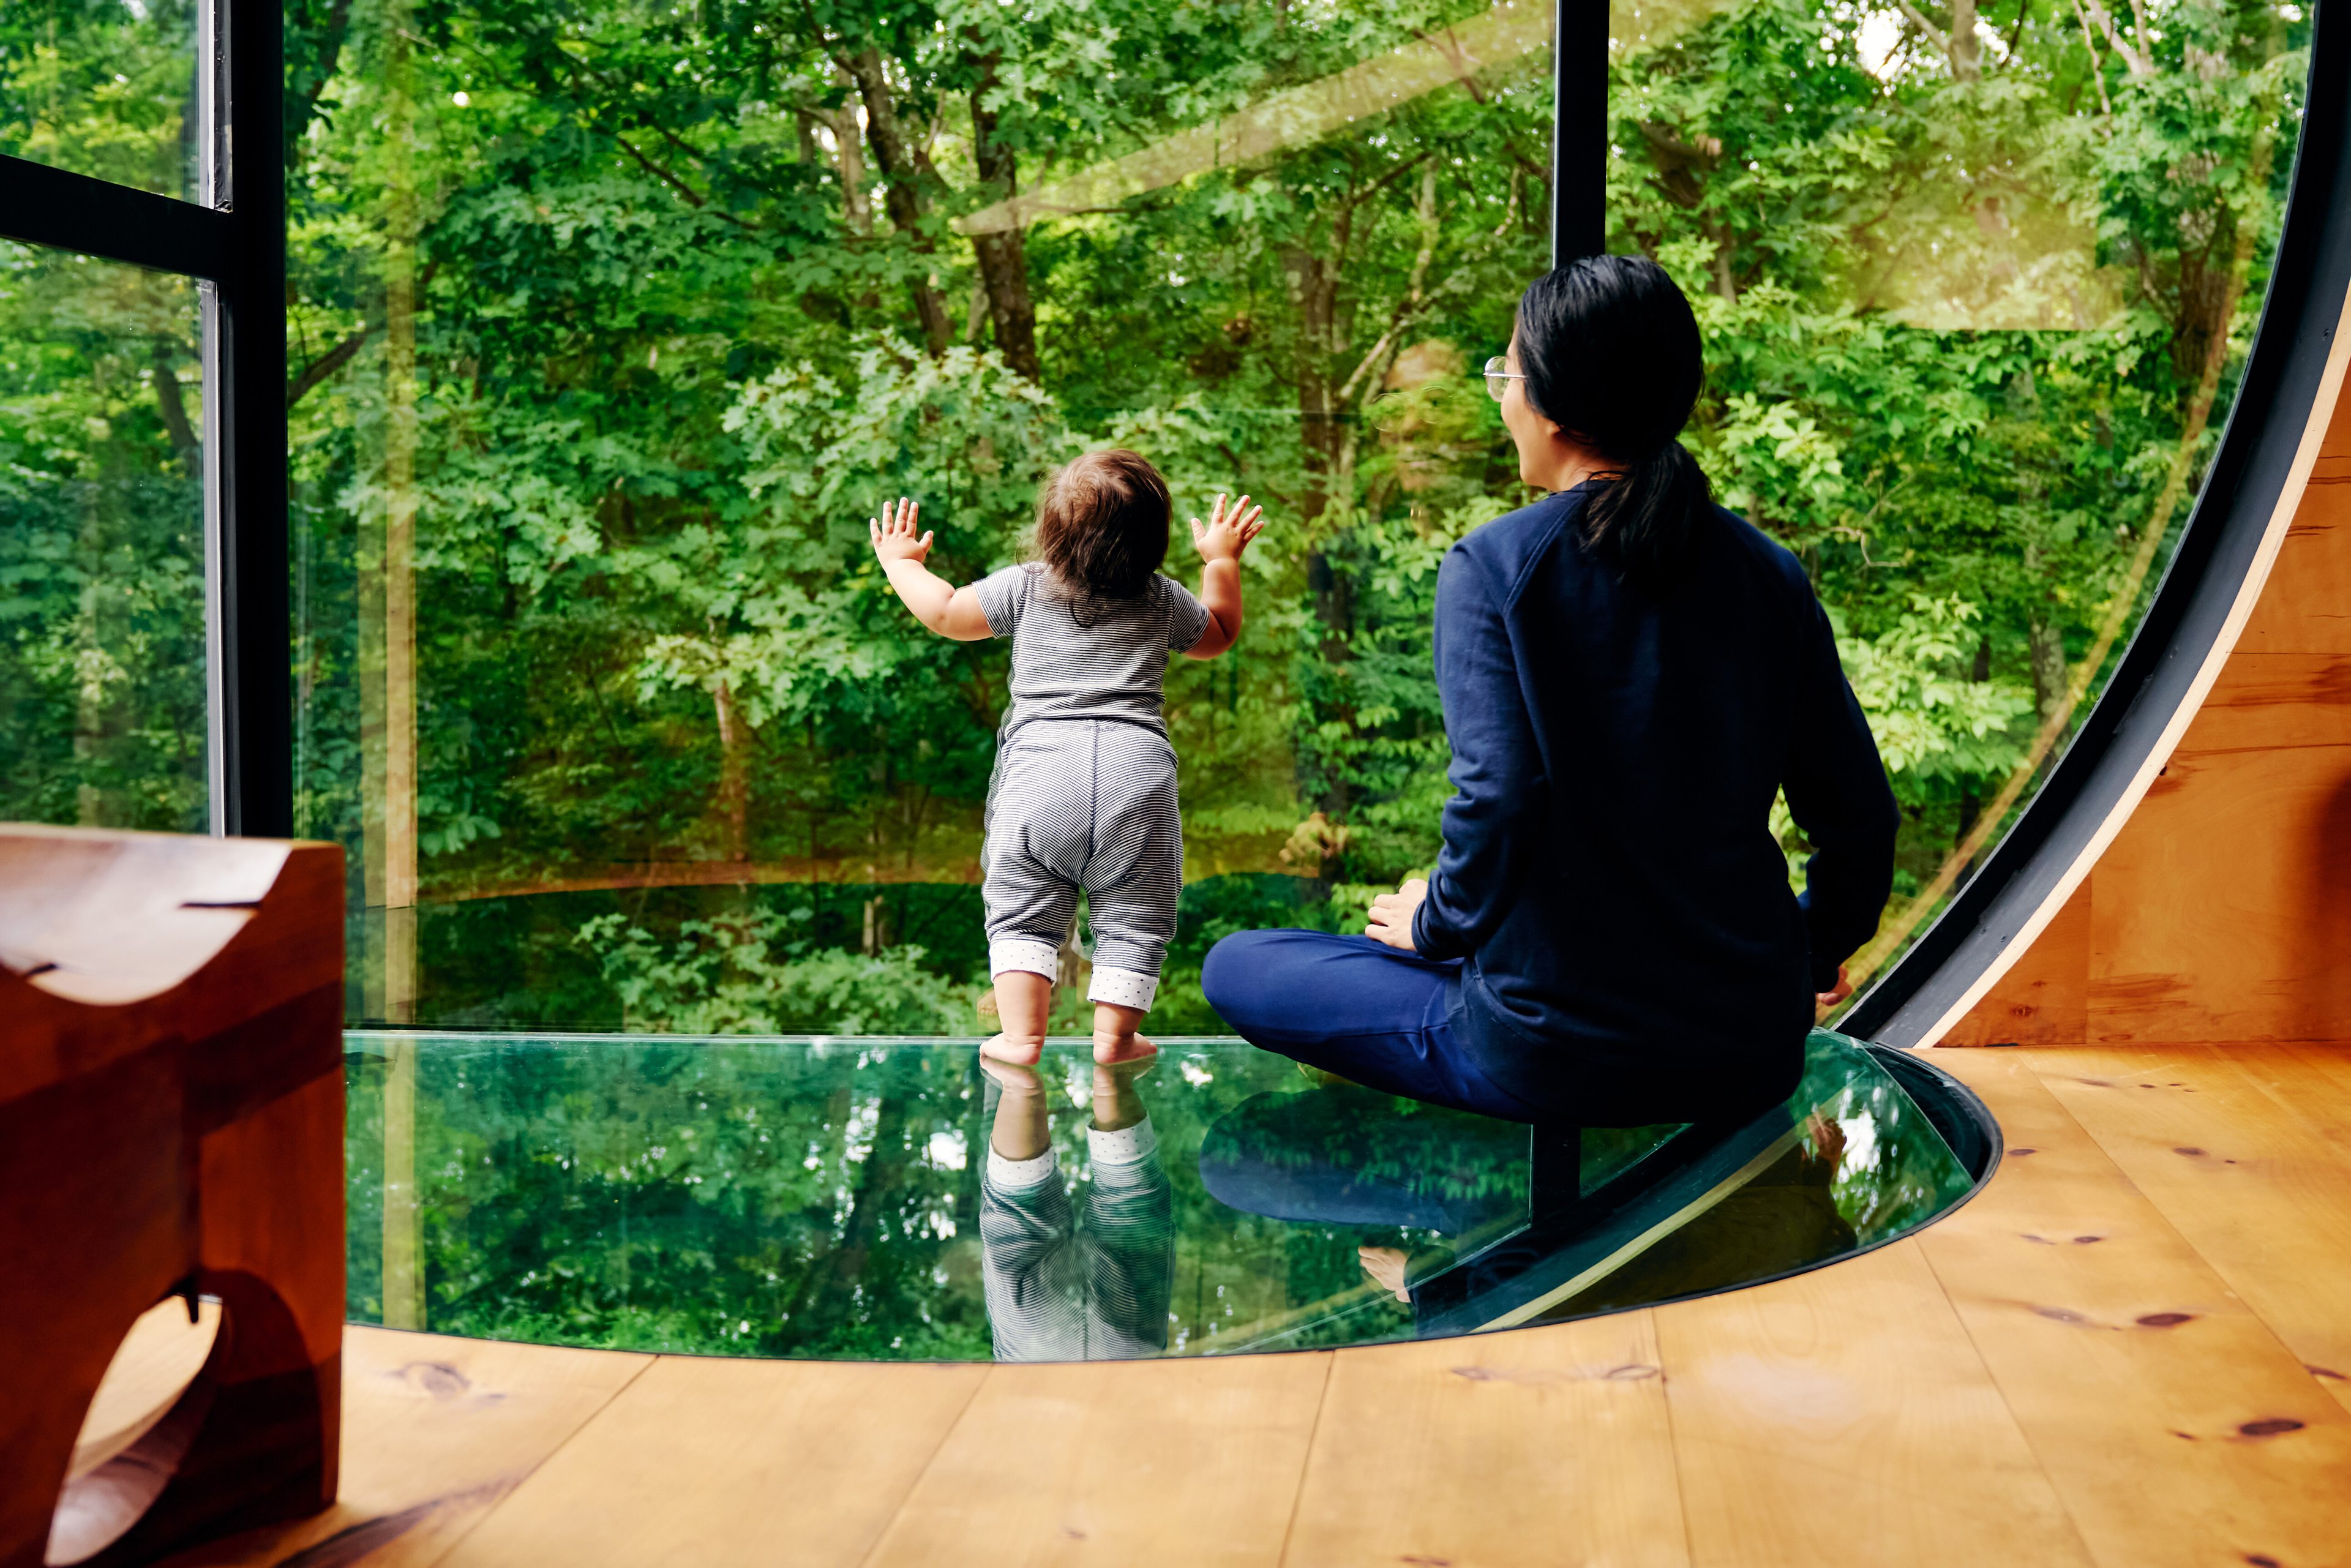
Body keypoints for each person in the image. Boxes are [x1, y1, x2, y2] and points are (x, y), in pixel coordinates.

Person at [1201, 255, 1899, 1127]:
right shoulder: (1769, 574)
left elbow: (1498, 805)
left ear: (1556, 406)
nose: (1501, 401)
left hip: (1554, 1055)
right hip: (1750, 1052)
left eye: (1507, 375)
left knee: (1235, 971)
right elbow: (1861, 819)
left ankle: (1439, 1253)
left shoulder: (1494, 568)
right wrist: (1805, 953)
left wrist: (1433, 924)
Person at [869, 449, 1267, 1066]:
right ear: (1154, 541)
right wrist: (1222, 559)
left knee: (1023, 909)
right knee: (1137, 914)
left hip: (1041, 773)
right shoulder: (1162, 599)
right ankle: (1115, 1038)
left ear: (1050, 535)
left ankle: (1022, 1036)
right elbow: (1218, 634)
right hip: (1137, 775)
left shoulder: (1026, 587)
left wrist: (899, 563)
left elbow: (945, 612)